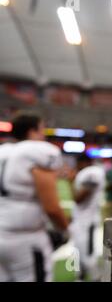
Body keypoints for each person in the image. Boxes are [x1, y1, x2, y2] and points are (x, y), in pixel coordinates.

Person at [0, 112, 69, 282]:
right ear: (33, 130)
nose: (44, 134)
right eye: (42, 128)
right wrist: (65, 229)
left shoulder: (4, 151)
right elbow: (52, 207)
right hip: (25, 238)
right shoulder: (37, 152)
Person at [69, 153, 105, 281]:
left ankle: (97, 277)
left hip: (87, 221)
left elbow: (78, 199)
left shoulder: (91, 172)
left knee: (88, 255)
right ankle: (81, 276)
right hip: (81, 220)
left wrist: (70, 181)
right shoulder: (91, 172)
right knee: (78, 252)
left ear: (83, 162)